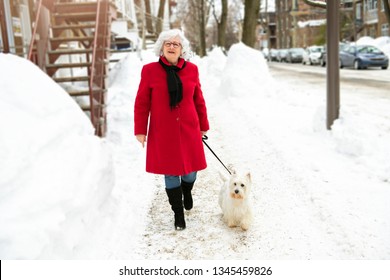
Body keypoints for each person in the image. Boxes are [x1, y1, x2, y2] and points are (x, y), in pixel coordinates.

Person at [134, 29, 209, 231]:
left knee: (190, 172)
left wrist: (203, 125)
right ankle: (178, 213)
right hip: (163, 131)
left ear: (181, 49)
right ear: (161, 47)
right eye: (167, 43)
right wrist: (140, 130)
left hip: (189, 128)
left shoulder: (192, 70)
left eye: (176, 44)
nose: (172, 46)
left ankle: (187, 190)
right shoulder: (149, 71)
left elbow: (198, 100)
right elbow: (142, 103)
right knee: (170, 173)